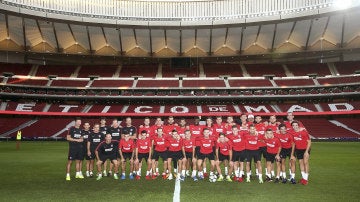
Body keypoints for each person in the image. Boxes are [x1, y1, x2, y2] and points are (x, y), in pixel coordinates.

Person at [290, 121, 311, 185]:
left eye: (296, 125)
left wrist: (307, 151)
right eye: (293, 125)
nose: (295, 126)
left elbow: (309, 142)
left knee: (305, 162)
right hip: (298, 149)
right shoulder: (292, 133)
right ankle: (303, 178)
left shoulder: (304, 132)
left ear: (298, 126)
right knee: (300, 163)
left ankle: (306, 179)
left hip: (305, 149)